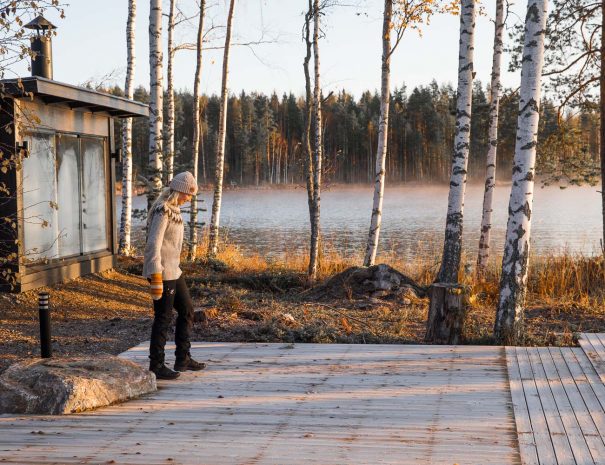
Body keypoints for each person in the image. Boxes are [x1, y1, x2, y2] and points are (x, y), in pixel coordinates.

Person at [143, 171, 206, 380]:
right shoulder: (163, 210)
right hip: (161, 271)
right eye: (188, 194)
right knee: (163, 317)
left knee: (187, 310)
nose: (190, 198)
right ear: (179, 191)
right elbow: (154, 243)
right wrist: (155, 274)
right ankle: (156, 364)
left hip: (174, 271)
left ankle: (183, 358)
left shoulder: (175, 210)